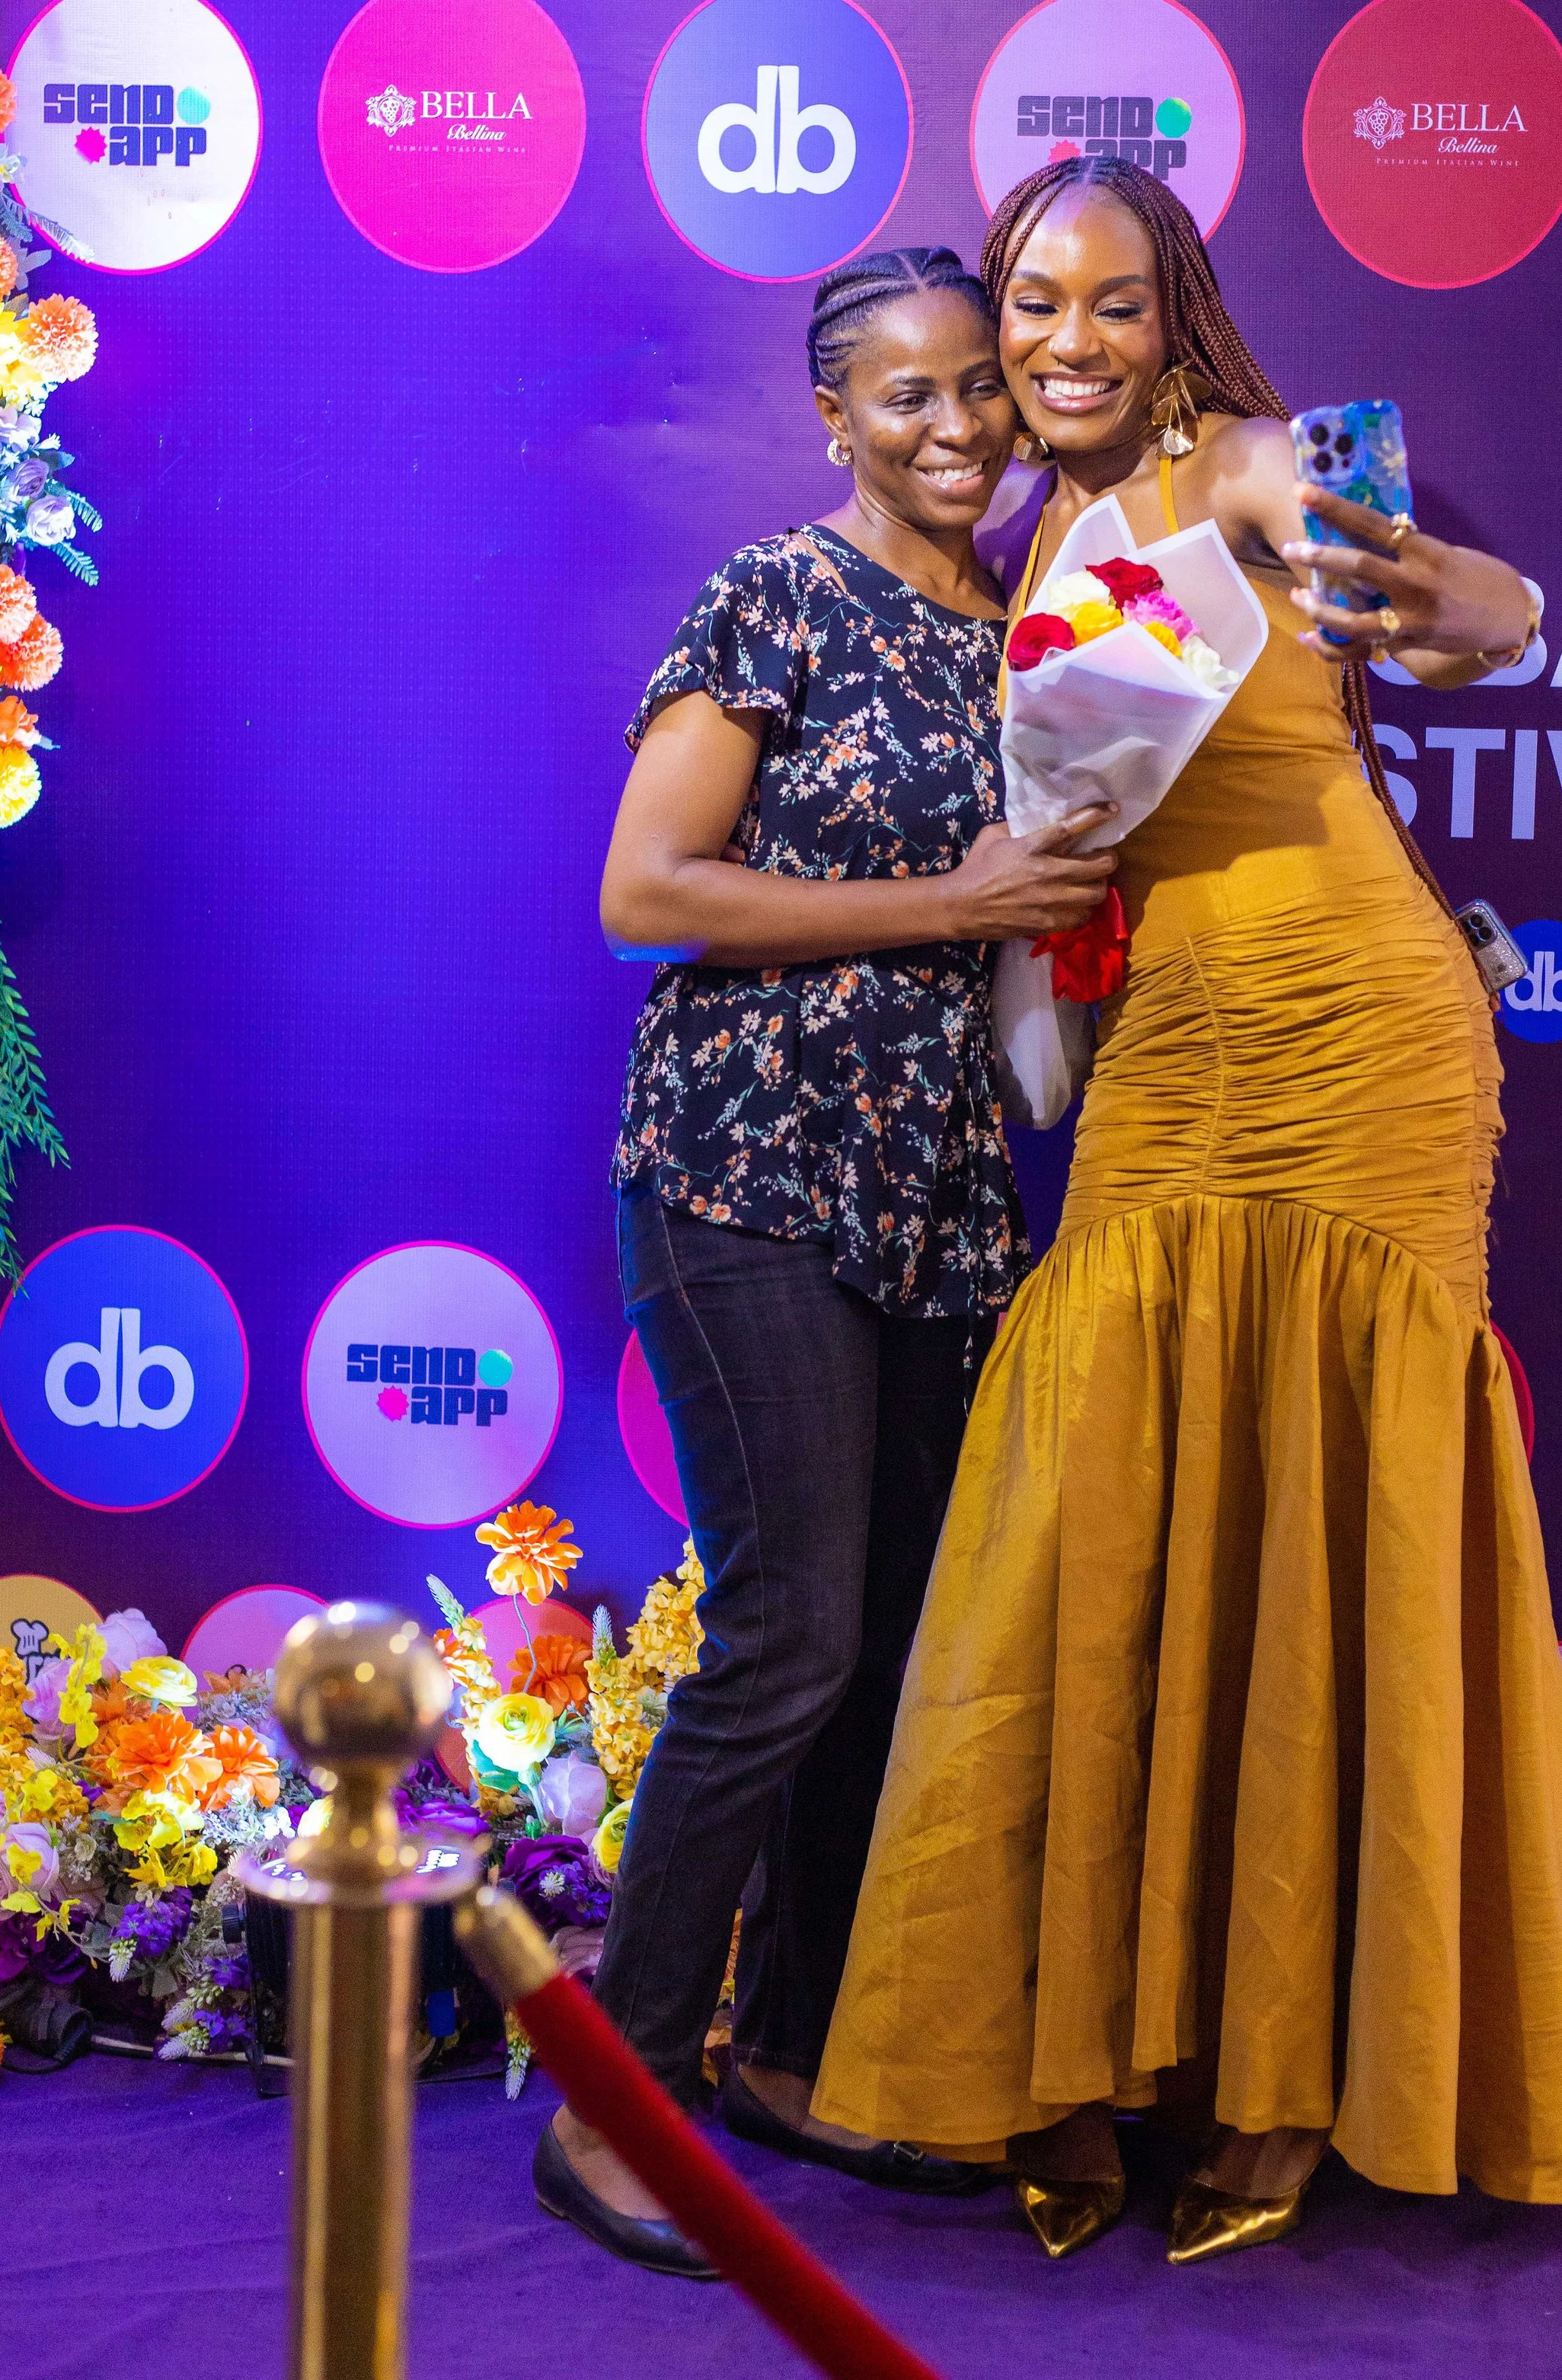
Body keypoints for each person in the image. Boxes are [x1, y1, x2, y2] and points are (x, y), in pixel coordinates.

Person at [813, 161, 1562, 2265]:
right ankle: (1092, 2051)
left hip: (1357, 1033)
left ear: (1175, 315)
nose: (1058, 339)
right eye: (1026, 301)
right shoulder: (1035, 539)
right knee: (1118, 1510)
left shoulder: (1257, 463)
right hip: (1167, 1053)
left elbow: (1481, 609)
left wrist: (1436, 597)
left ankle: (1282, 2090)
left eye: (1104, 301)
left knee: (1323, 1521)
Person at [539, 246, 1119, 2278]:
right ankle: (620, 2100)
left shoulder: (1039, 625)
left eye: (980, 388)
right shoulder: (776, 593)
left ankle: (789, 2044)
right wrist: (943, 893)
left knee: (875, 1651)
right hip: (748, 1174)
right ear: (830, 420)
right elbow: (644, 884)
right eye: (907, 399)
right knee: (782, 1638)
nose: (957, 426)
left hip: (943, 1206)